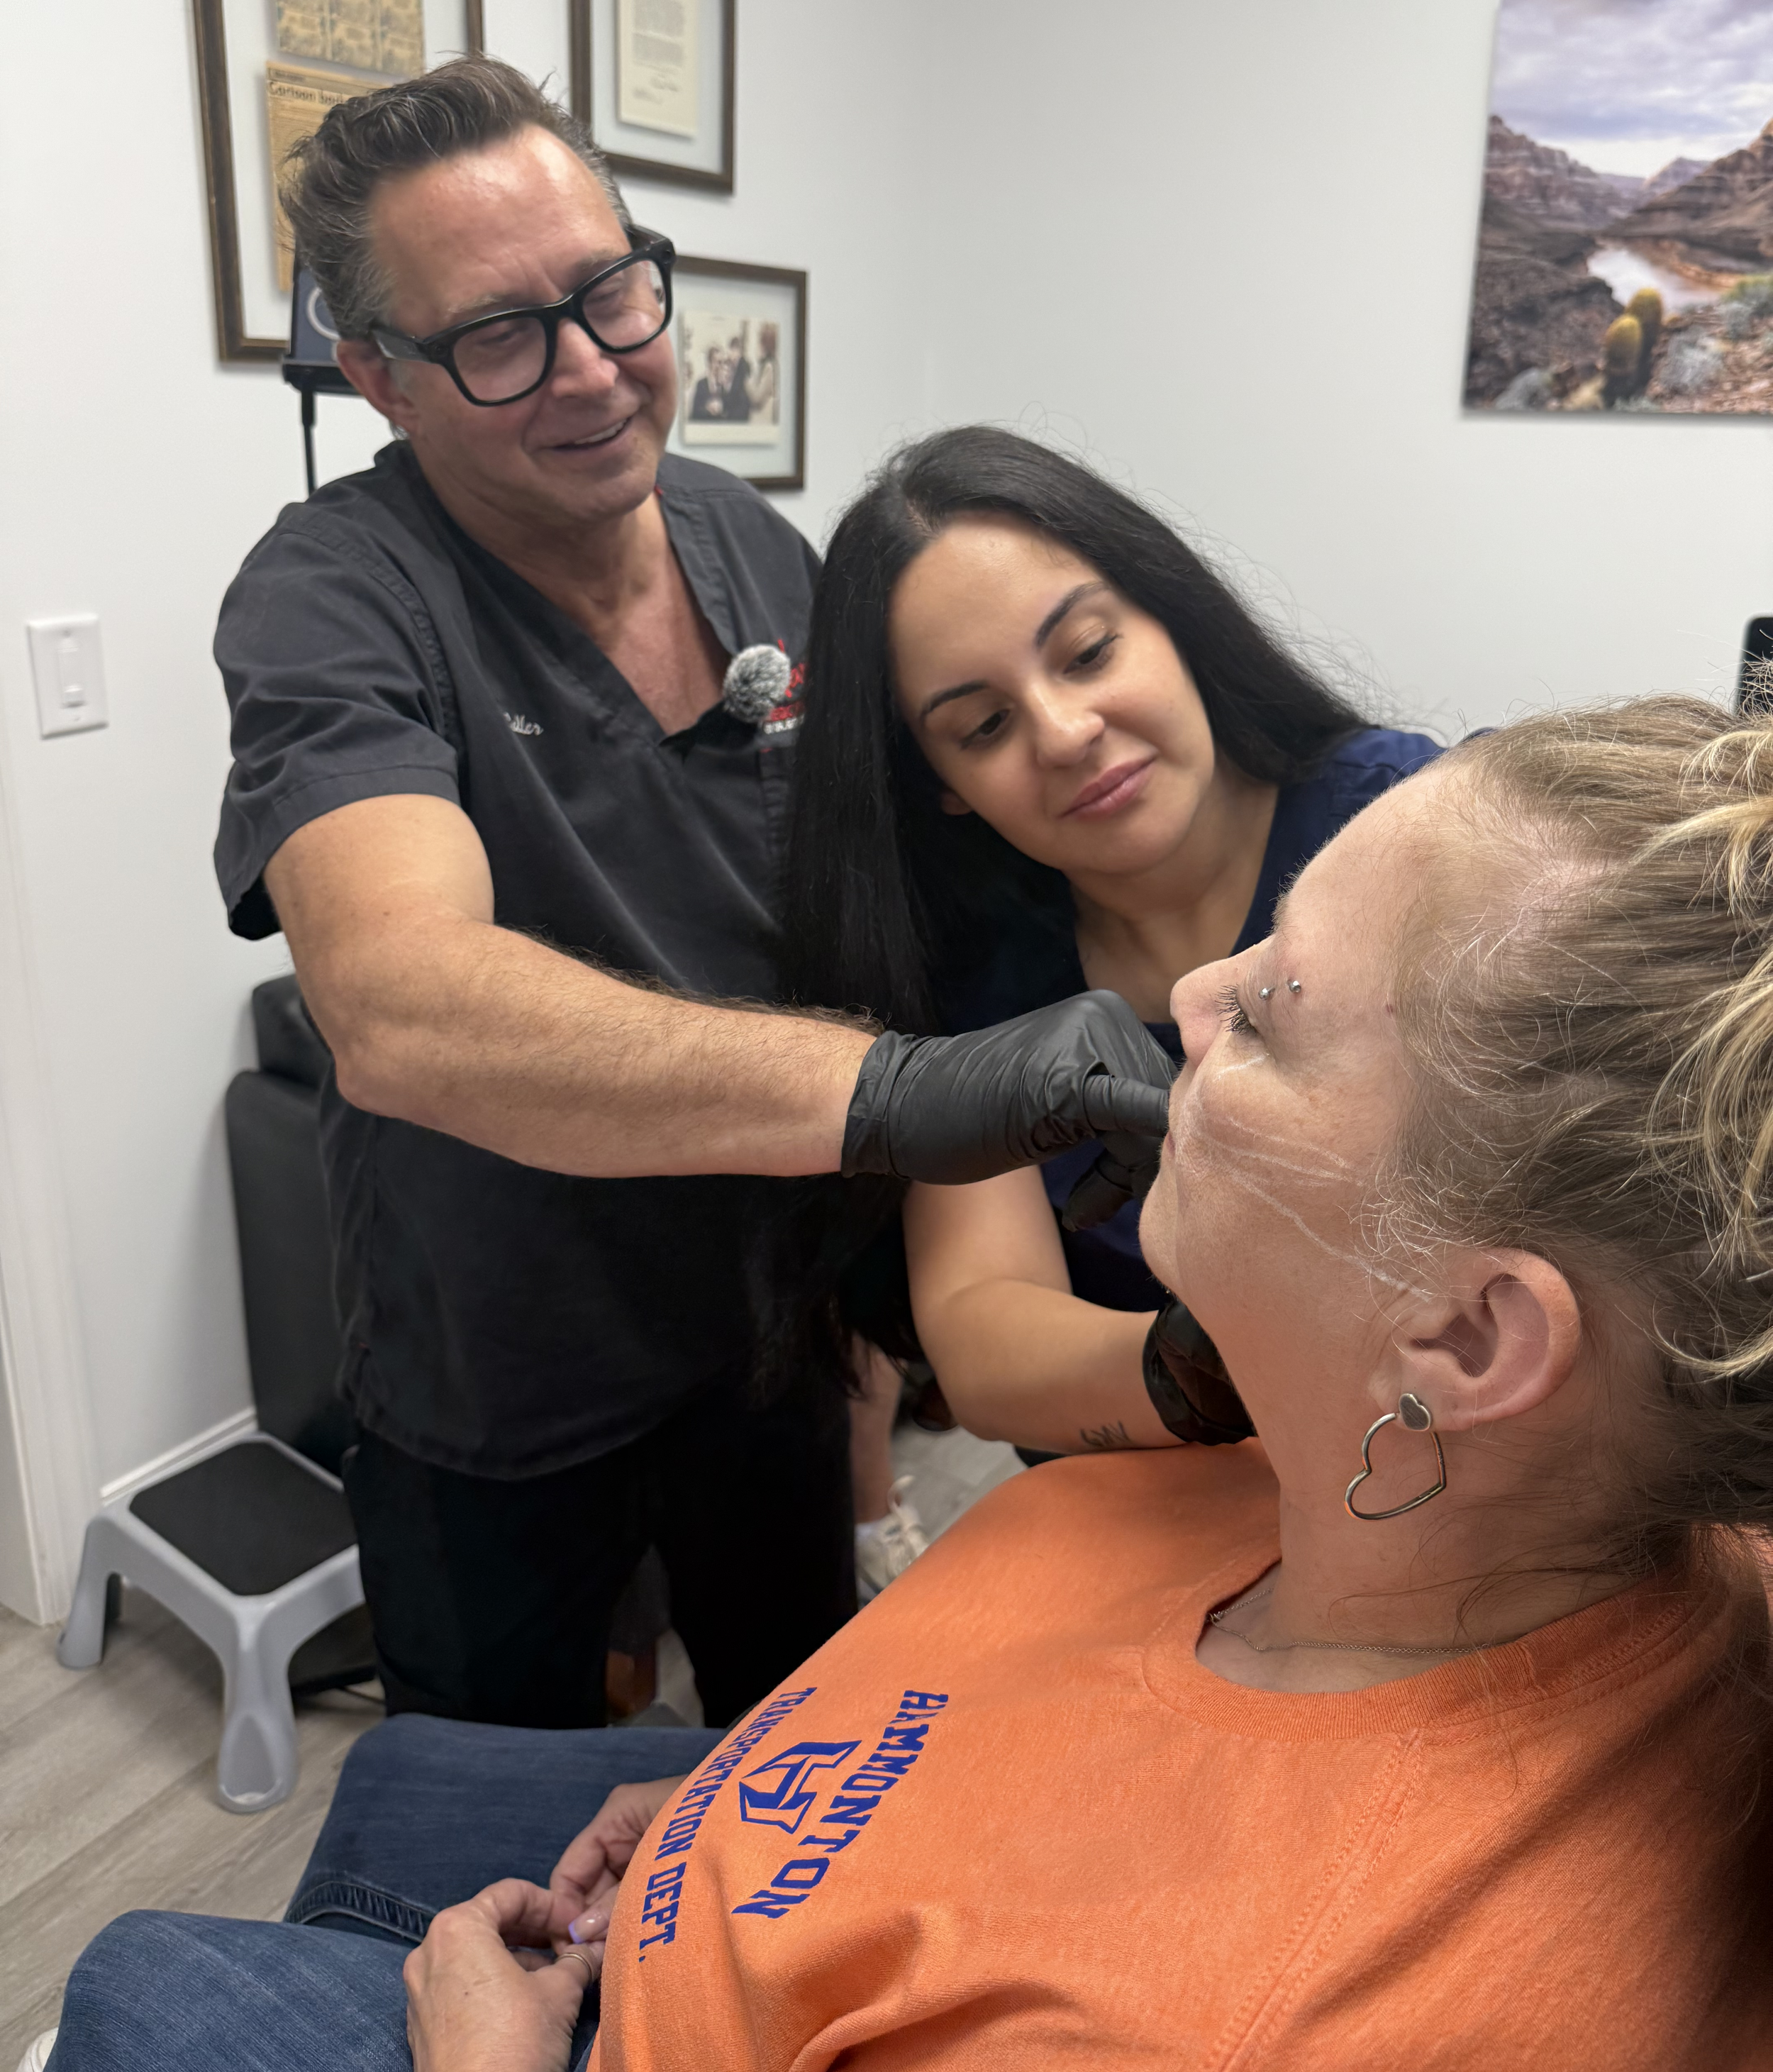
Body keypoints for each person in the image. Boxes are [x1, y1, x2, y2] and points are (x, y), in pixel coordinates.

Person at [50, 692, 1773, 2069]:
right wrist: (758, 1801)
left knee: (138, 1976)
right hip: (779, 1829)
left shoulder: (1229, 2018)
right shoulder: (1439, 1481)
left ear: (1469, 1340)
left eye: (1275, 1012)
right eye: (967, 720)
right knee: (398, 1771)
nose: (1187, 993)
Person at [208, 57, 1173, 1732]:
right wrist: (908, 1097)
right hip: (503, 1365)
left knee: (785, 1746)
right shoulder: (336, 601)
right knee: (495, 1809)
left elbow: (875, 901)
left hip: (764, 1344)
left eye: (610, 293)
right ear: (376, 375)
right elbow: (400, 1004)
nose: (589, 370)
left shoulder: (752, 545)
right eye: (498, 335)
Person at [779, 426, 1441, 1451]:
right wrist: (1207, 1370)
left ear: (1171, 619)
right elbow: (983, 1333)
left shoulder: (1420, 827)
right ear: (940, 790)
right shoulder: (981, 982)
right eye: (983, 728)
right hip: (1173, 1505)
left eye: (1088, 653)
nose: (1064, 731)